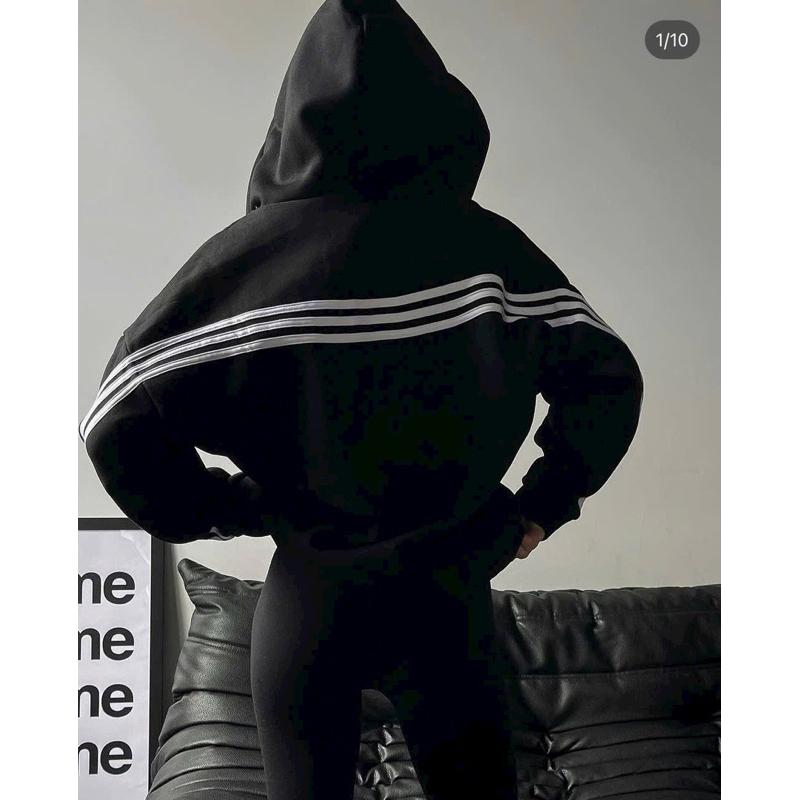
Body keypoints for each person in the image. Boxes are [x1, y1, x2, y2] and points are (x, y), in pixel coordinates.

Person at [80, 1, 644, 798]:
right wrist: (543, 504)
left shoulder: (243, 269)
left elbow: (117, 418)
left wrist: (232, 505)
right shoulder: (490, 252)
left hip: (310, 599)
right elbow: (607, 380)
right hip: (448, 593)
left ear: (292, 123)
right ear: (439, 113)